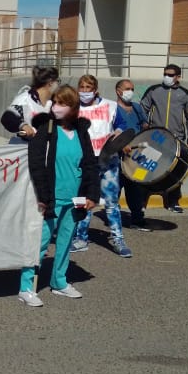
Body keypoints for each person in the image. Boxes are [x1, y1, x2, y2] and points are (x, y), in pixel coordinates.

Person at [17, 85, 100, 307]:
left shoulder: (81, 133)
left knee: (65, 242)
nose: (57, 107)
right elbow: (36, 164)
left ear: (73, 107)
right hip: (50, 200)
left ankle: (59, 282)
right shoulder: (46, 130)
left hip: (74, 201)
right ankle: (26, 287)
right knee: (39, 244)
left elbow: (90, 164)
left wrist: (92, 194)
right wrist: (43, 196)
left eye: (63, 103)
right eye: (55, 102)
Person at [70, 74, 131, 257]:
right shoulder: (74, 108)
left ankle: (117, 239)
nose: (85, 92)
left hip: (108, 159)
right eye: (82, 88)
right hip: (85, 161)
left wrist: (118, 134)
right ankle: (81, 238)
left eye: (88, 88)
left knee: (111, 202)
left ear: (95, 90)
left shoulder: (111, 106)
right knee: (85, 201)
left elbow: (120, 125)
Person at [137, 63, 188, 214]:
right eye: (165, 74)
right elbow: (142, 110)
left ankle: (173, 201)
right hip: (154, 137)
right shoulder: (153, 91)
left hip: (176, 139)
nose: (166, 77)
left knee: (174, 171)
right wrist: (143, 129)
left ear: (178, 77)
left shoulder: (186, 94)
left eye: (170, 75)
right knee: (147, 168)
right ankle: (142, 200)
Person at [113, 78, 149, 229]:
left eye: (132, 89)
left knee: (135, 187)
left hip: (136, 156)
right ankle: (113, 218)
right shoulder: (112, 109)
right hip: (117, 156)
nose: (131, 92)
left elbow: (145, 125)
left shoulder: (137, 108)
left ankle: (137, 217)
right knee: (116, 187)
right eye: (128, 89)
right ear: (118, 91)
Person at [0, 65, 59, 144]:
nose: (59, 85)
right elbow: (7, 117)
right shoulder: (25, 99)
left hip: (44, 148)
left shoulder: (54, 102)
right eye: (58, 81)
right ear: (50, 83)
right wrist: (23, 126)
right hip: (24, 146)